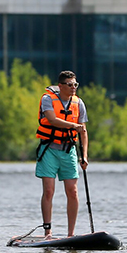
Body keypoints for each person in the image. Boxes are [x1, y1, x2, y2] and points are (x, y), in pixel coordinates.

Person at [35, 70, 88, 239]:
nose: (74, 88)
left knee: (72, 192)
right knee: (49, 191)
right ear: (61, 86)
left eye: (75, 85)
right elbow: (52, 120)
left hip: (68, 150)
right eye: (70, 85)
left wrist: (84, 156)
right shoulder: (47, 99)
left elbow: (83, 132)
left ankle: (71, 234)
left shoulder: (78, 103)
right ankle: (48, 232)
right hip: (49, 149)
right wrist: (73, 126)